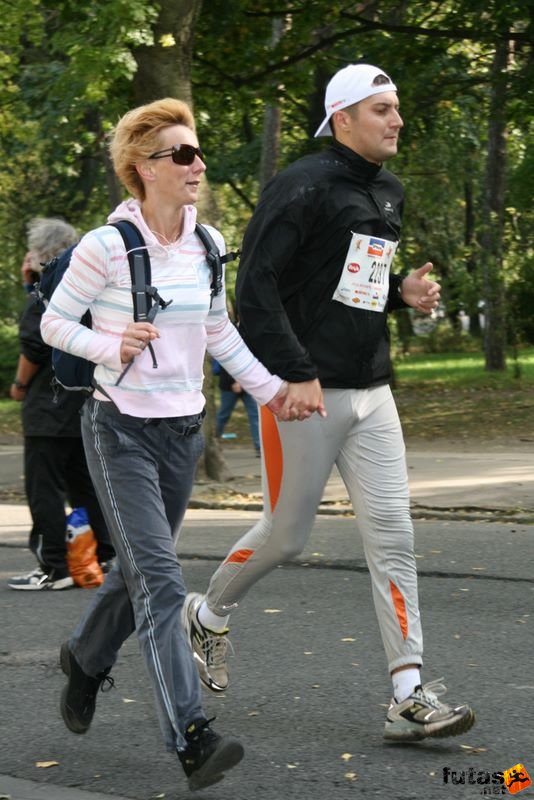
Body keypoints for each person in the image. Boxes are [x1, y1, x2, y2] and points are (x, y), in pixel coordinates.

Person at [182, 63, 476, 743]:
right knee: (287, 536)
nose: (396, 119)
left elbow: (351, 283)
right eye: (382, 109)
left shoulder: (389, 191)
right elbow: (254, 290)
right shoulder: (301, 185)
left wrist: (400, 289)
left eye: (396, 107)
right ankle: (209, 613)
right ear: (343, 117)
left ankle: (407, 694)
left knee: (394, 539)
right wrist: (294, 372)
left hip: (373, 392)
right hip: (300, 397)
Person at [40, 98, 294, 790]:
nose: (197, 163)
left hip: (182, 431)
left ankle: (85, 657)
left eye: (197, 150)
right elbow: (55, 323)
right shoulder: (104, 246)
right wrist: (107, 342)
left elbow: (218, 331)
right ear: (142, 169)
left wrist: (271, 390)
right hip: (117, 426)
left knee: (135, 572)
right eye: (181, 154)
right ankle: (190, 735)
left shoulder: (207, 244)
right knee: (160, 579)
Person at [9, 218, 115, 591]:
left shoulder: (45, 293)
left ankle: (53, 564)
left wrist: (20, 385)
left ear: (40, 253)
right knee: (83, 484)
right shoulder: (87, 285)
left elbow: (34, 347)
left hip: (46, 406)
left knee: (45, 488)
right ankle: (100, 554)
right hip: (83, 401)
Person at [214, 359, 261, 454]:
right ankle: (214, 442)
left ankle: (259, 446)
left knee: (255, 415)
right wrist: (234, 381)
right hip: (229, 386)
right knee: (223, 415)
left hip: (248, 386)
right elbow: (226, 363)